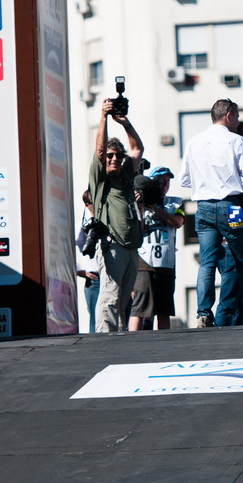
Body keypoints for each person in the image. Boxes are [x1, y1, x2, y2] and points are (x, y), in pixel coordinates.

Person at [179, 98, 243, 328]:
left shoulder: (194, 141)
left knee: (206, 263)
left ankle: (203, 312)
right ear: (228, 116)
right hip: (231, 206)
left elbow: (185, 178)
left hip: (203, 207)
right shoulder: (237, 141)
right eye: (236, 117)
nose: (237, 122)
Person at [89, 98, 144, 332]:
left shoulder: (125, 175)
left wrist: (125, 123)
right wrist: (103, 118)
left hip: (131, 245)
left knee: (123, 299)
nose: (114, 159)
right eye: (111, 156)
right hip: (112, 243)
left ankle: (118, 340)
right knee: (110, 294)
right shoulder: (101, 179)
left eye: (117, 156)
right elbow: (100, 151)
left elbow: (138, 149)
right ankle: (104, 339)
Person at [129, 167, 185, 330]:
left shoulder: (176, 202)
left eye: (167, 180)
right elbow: (137, 230)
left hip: (167, 263)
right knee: (139, 308)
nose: (164, 184)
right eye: (160, 180)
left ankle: (165, 349)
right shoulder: (139, 203)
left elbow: (178, 222)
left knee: (164, 310)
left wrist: (155, 208)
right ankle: (133, 346)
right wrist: (140, 206)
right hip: (144, 261)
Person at [75, 190, 100, 333]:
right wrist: (79, 270)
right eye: (93, 202)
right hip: (94, 278)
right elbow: (70, 246)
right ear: (87, 205)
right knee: (95, 320)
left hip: (111, 275)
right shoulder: (81, 225)